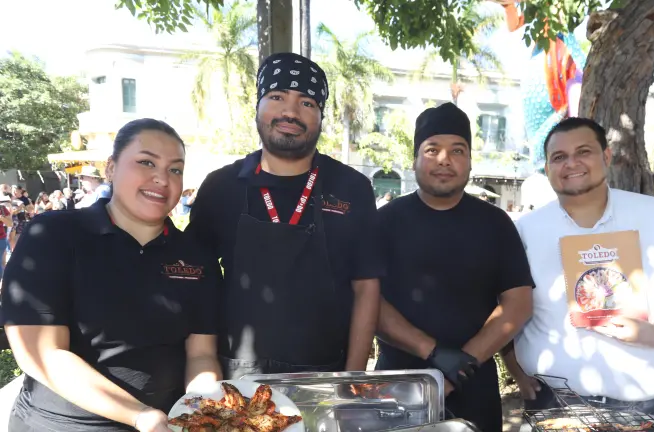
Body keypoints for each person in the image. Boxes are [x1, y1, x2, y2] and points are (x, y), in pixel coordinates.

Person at [1, 118, 222, 432]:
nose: (162, 178)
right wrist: (140, 415)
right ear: (111, 168)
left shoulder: (197, 256)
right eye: (146, 162)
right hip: (63, 424)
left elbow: (200, 354)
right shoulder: (54, 234)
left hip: (166, 422)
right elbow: (43, 352)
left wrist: (204, 410)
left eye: (175, 169)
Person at [503, 117, 654, 426]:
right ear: (547, 168)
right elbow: (506, 304)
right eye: (559, 157)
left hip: (641, 405)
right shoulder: (524, 230)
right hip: (553, 402)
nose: (572, 163)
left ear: (606, 156)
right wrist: (514, 368)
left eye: (584, 152)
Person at [186, 52, 382, 378]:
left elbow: (366, 288)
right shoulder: (221, 186)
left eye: (307, 102)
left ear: (320, 116)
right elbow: (197, 285)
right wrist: (205, 372)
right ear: (258, 107)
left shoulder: (353, 188)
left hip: (325, 373)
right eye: (277, 97)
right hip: (236, 373)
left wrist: (352, 378)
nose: (290, 111)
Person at [375, 103, 534, 432]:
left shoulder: (496, 223)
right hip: (396, 384)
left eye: (457, 150)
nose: (444, 159)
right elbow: (368, 301)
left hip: (473, 384)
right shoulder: (384, 222)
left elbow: (518, 305)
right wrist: (432, 353)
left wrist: (460, 366)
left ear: (469, 161)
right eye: (432, 149)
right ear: (415, 158)